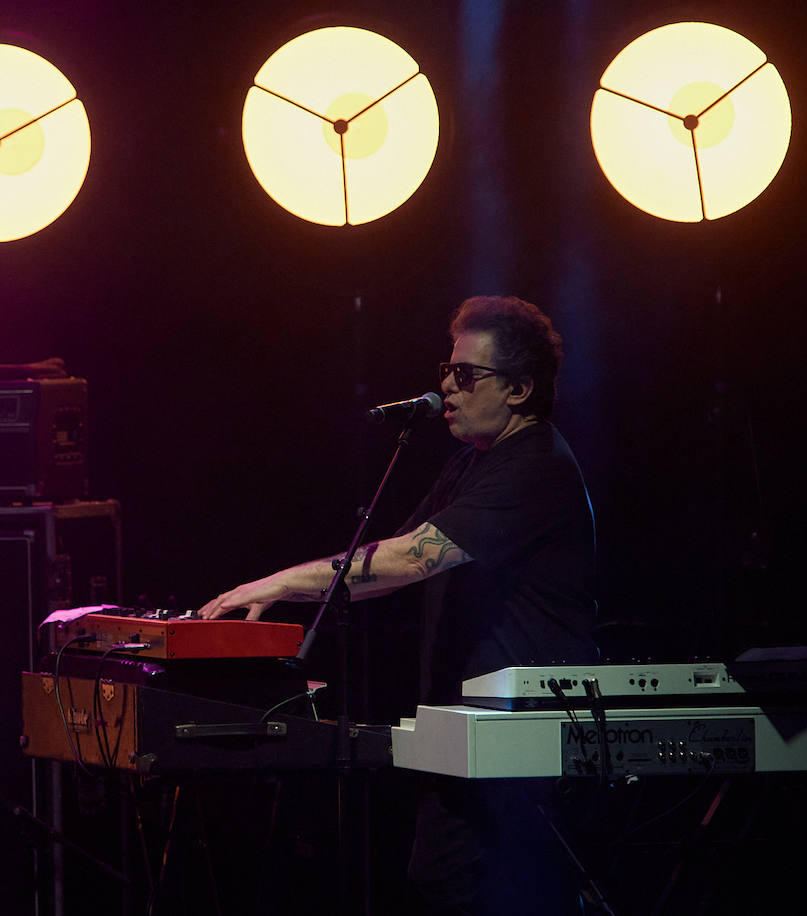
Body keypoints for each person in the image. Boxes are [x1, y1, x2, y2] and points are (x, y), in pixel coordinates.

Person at [199, 295, 598, 914]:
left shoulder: (537, 465)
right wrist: (288, 595)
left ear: (518, 388)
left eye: (466, 375)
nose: (446, 387)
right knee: (444, 882)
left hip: (530, 729)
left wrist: (277, 583)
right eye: (447, 371)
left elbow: (410, 558)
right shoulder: (474, 463)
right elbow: (384, 568)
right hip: (472, 724)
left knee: (514, 891)